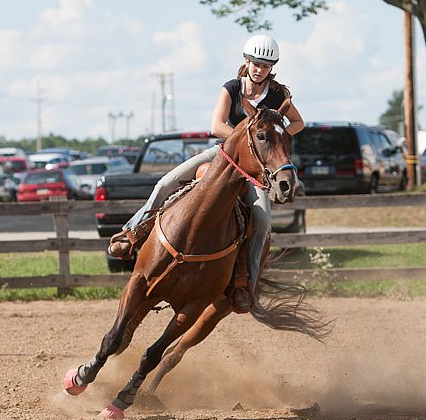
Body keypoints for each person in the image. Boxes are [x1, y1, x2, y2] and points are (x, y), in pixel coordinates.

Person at [108, 34, 304, 312]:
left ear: (272, 67)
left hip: (254, 165)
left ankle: (246, 283)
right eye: (256, 63)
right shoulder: (232, 88)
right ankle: (132, 233)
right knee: (165, 183)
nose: (260, 69)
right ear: (246, 61)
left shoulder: (278, 94)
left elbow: (298, 122)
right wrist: (244, 137)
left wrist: (276, 137)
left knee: (262, 219)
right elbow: (216, 125)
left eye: (266, 64)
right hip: (223, 154)